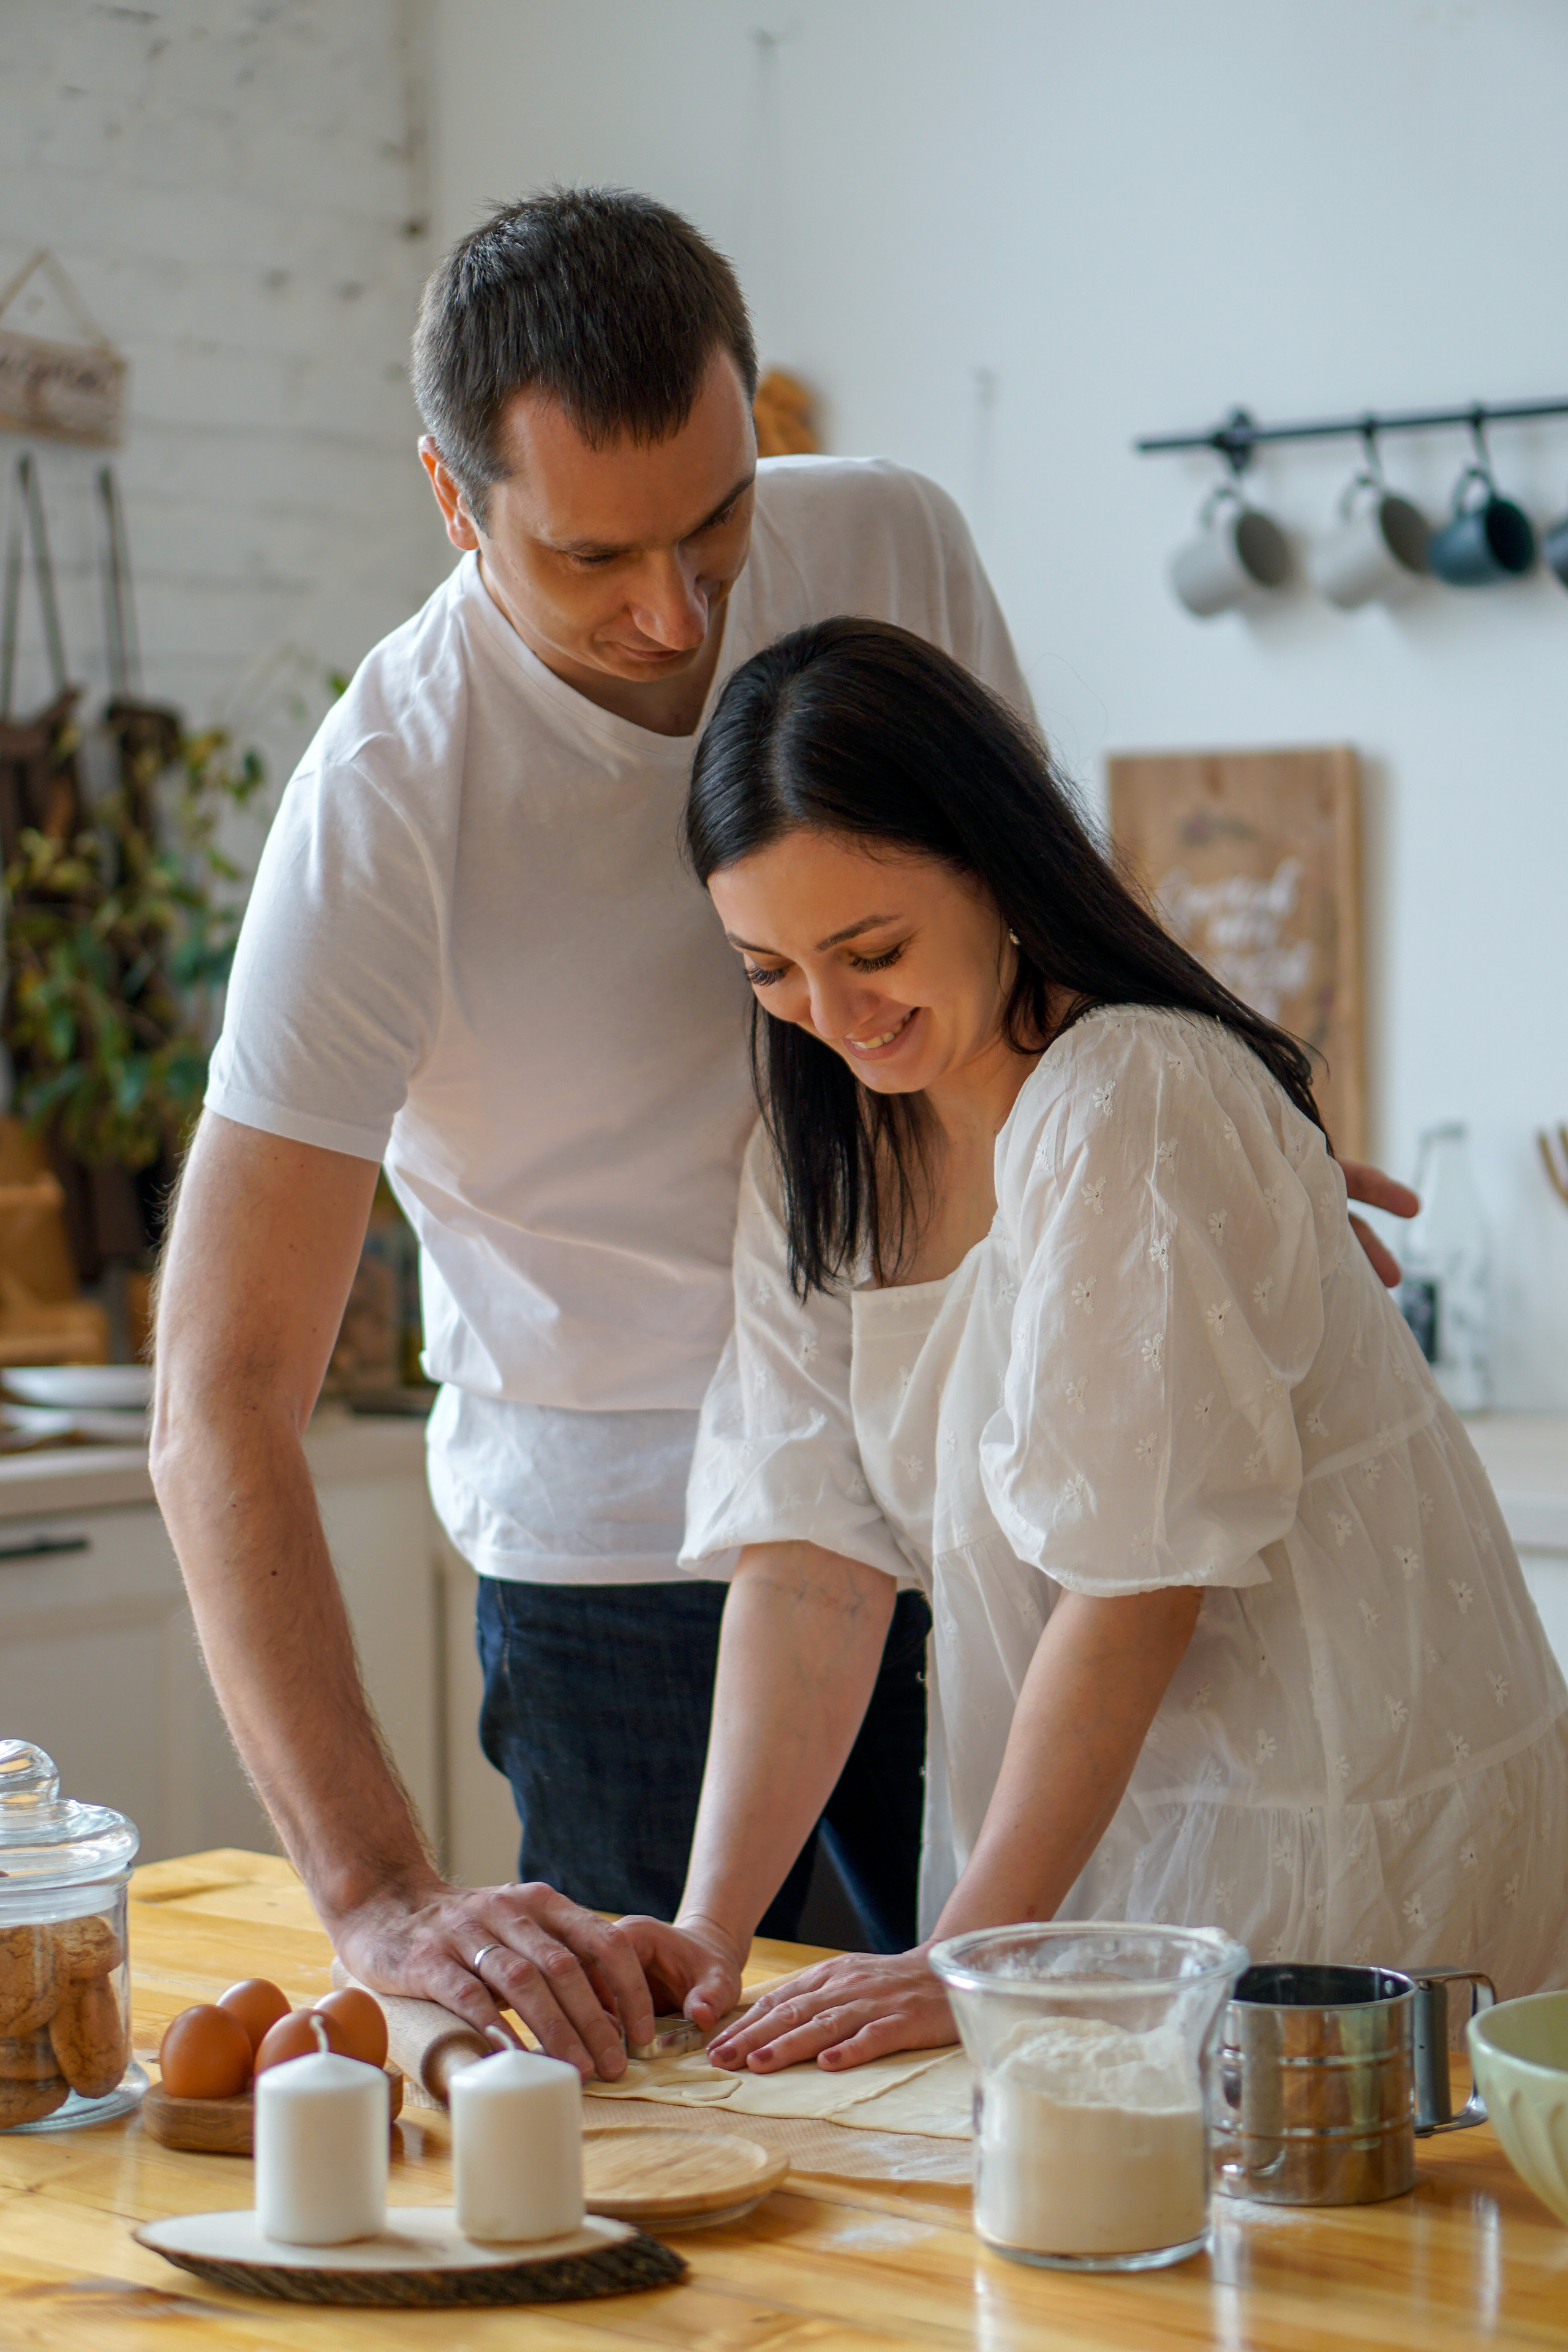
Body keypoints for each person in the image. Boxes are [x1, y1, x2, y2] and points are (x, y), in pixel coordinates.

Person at [150, 189, 1039, 2079]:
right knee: (664, 2139)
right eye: (596, 558)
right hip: (636, 1567)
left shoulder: (887, 538)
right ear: (454, 501)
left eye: (720, 523)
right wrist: (382, 1895)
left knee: (1029, 2075)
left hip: (971, 1464)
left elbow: (1024, 941)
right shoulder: (386, 806)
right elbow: (218, 1396)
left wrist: (1211, 1124)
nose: (679, 613)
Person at [630, 617, 1568, 2075]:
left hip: (1317, 1817)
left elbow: (1135, 1589)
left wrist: (965, 1956)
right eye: (769, 970)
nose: (831, 1018)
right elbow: (809, 1566)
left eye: (869, 951)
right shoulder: (815, 1158)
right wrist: (706, 1938)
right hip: (1075, 1831)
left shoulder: (1128, 1097)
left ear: (994, 866)